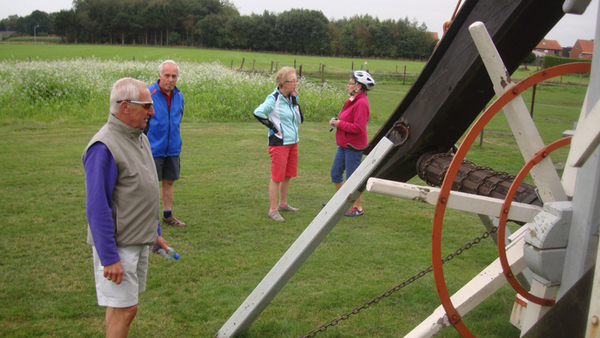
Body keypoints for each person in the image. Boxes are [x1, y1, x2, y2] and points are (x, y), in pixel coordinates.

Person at [83, 77, 171, 337]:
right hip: (118, 247)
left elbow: (141, 191)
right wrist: (109, 257)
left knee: (119, 307)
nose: (152, 111)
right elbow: (97, 206)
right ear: (124, 107)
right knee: (126, 310)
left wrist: (153, 231)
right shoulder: (104, 147)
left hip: (136, 239)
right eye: (146, 106)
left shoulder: (139, 138)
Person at [254, 67, 304, 222]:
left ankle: (283, 204)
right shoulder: (274, 98)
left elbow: (299, 121)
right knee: (277, 177)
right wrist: (273, 127)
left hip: (292, 142)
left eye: (296, 80)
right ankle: (273, 209)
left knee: (287, 175)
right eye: (292, 81)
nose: (295, 84)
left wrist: (295, 102)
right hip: (279, 143)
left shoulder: (291, 98)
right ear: (283, 83)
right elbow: (258, 112)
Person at [327, 70, 376, 217]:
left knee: (353, 178)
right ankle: (340, 202)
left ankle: (358, 207)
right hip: (344, 144)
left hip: (354, 147)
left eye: (351, 83)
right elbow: (346, 119)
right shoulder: (352, 99)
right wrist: (337, 121)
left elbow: (359, 128)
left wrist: (339, 123)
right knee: (335, 173)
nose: (348, 85)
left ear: (359, 87)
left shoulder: (361, 103)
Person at [145, 60, 186, 227]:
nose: (170, 79)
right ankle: (148, 219)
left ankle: (167, 216)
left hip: (172, 148)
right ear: (159, 75)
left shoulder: (179, 96)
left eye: (174, 76)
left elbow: (177, 119)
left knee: (168, 182)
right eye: (167, 75)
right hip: (153, 148)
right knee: (150, 185)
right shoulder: (148, 93)